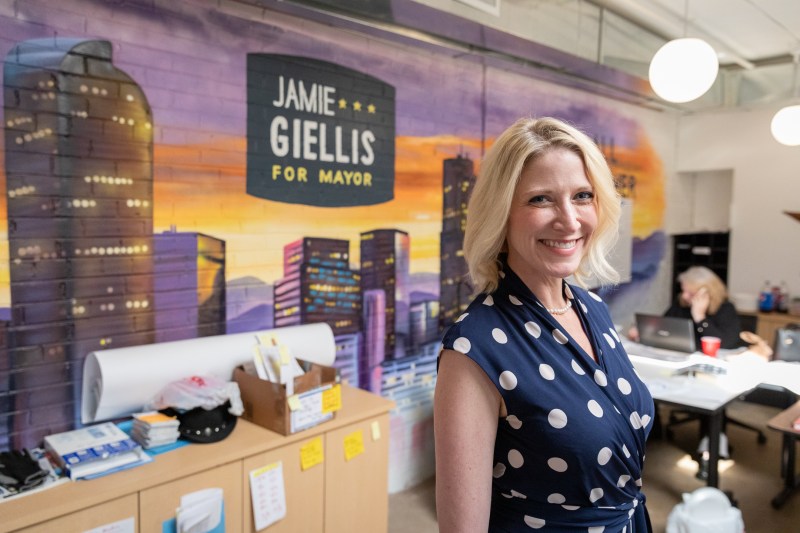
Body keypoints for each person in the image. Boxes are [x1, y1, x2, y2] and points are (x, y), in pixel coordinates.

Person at [434, 117, 654, 532]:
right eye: (541, 200)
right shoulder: (475, 349)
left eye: (582, 195)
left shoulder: (592, 308)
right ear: (502, 214)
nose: (569, 220)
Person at [664, 266, 742, 350]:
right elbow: (663, 328)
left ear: (708, 293)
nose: (684, 296)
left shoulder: (726, 309)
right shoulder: (681, 303)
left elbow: (724, 343)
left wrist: (700, 318)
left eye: (691, 293)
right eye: (683, 290)